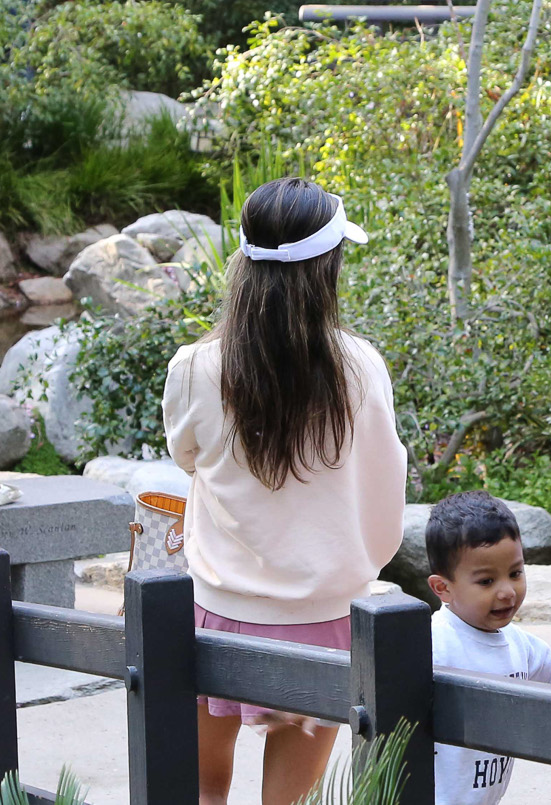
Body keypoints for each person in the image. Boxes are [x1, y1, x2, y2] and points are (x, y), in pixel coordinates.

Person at [162, 178, 406, 805]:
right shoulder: (362, 366)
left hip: (217, 610)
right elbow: (384, 490)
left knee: (202, 788)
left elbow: (186, 456)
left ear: (242, 261)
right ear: (330, 267)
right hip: (326, 615)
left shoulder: (196, 366)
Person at [425, 492, 551, 805]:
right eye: (486, 581)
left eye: (515, 573)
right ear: (443, 588)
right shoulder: (433, 644)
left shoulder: (519, 644)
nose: (507, 592)